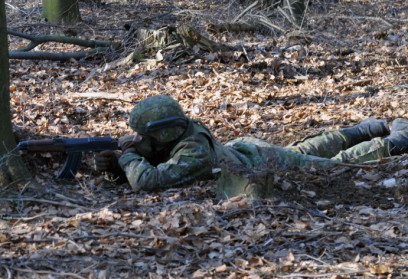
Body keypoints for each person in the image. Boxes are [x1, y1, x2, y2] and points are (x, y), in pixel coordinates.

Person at [96, 94, 408, 193]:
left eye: (142, 135)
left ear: (162, 134)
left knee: (329, 166)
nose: (135, 139)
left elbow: (150, 181)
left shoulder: (193, 150)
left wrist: (127, 159)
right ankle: (365, 129)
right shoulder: (182, 135)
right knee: (304, 150)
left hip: (257, 162)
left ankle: (395, 141)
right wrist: (117, 165)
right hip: (246, 152)